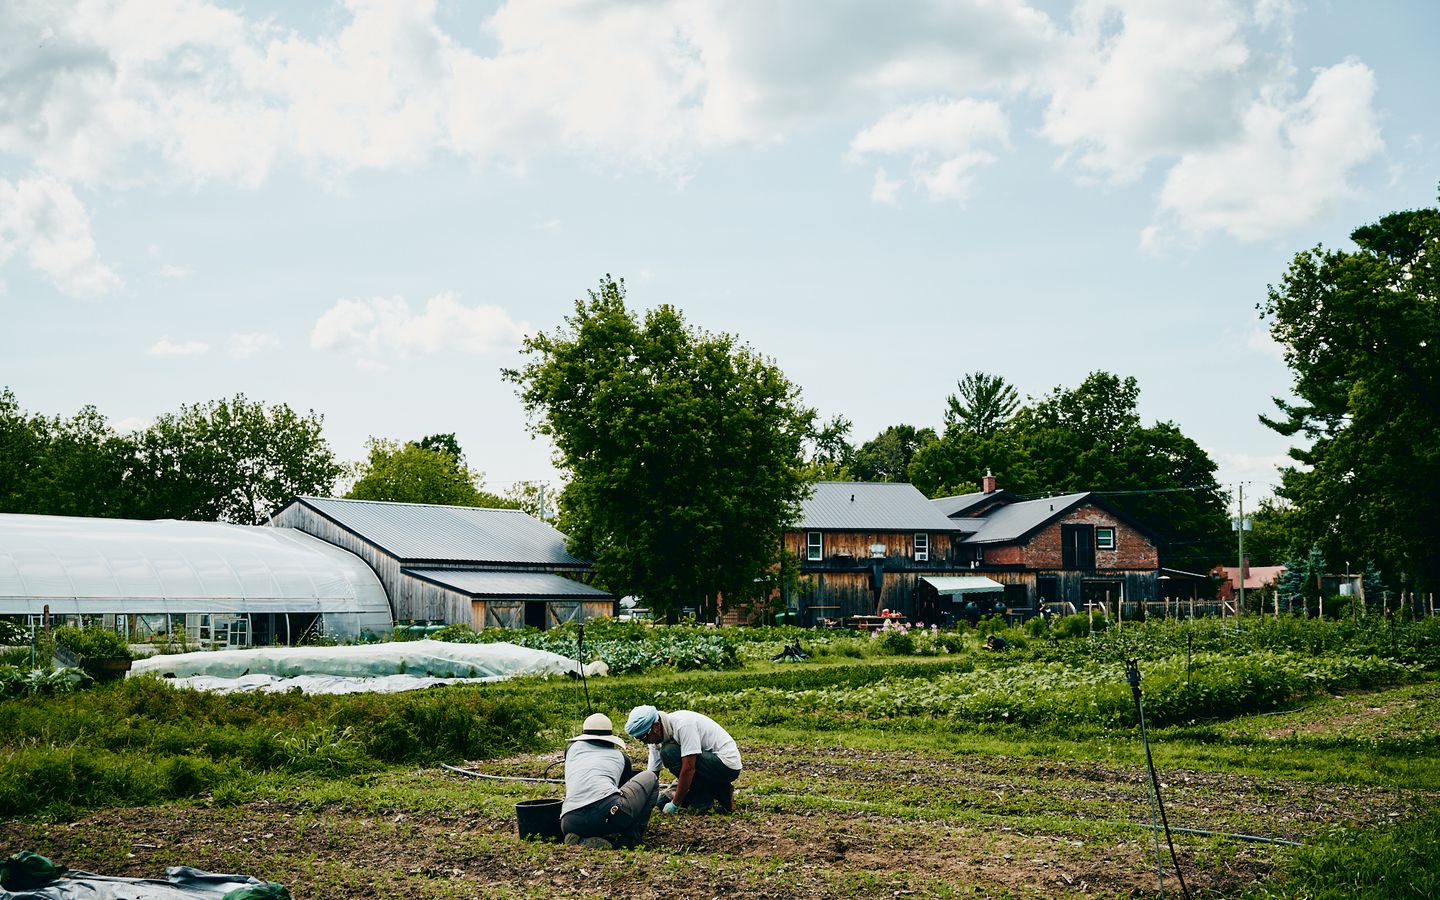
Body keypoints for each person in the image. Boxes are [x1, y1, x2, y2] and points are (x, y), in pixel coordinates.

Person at [560, 712, 660, 850]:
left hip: (569, 821)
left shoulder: (571, 749)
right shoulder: (621, 758)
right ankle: (630, 839)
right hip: (607, 814)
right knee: (651, 777)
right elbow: (621, 788)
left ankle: (582, 839)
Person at [624, 705, 741, 814]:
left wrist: (675, 804)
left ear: (656, 726)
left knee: (669, 752)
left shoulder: (684, 724)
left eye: (644, 737)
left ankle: (715, 792)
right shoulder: (654, 737)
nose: (645, 742)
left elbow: (689, 767)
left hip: (725, 765)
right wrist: (644, 803)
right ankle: (712, 791)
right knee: (662, 802)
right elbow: (652, 775)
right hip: (704, 764)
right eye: (639, 739)